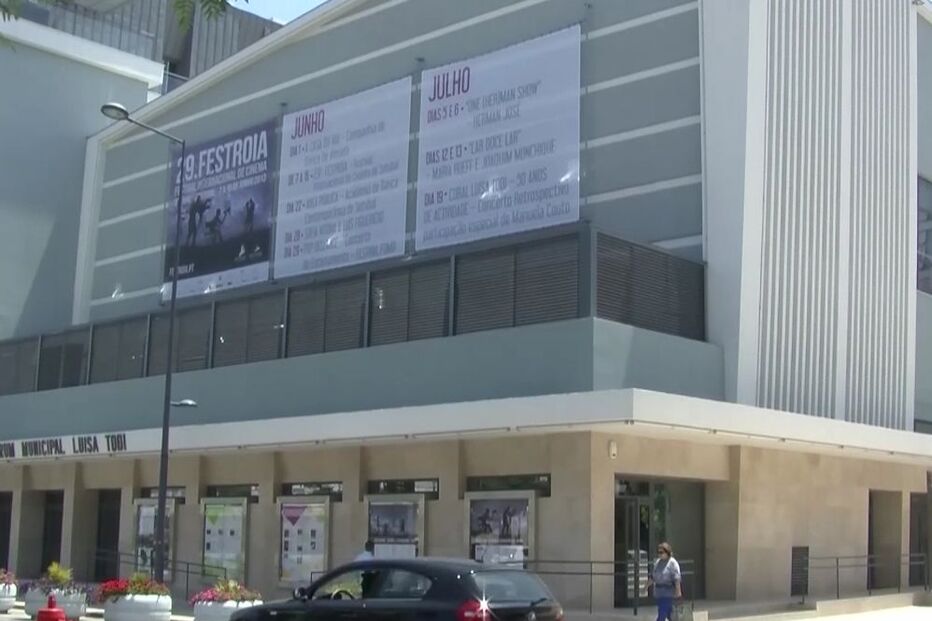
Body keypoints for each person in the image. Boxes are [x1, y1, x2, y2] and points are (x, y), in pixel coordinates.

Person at [648, 542, 681, 621]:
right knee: (670, 615)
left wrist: (678, 591)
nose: (659, 554)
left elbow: (676, 578)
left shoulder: (672, 563)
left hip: (668, 593)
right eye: (658, 552)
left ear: (667, 552)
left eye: (661, 552)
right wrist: (646, 587)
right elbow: (653, 577)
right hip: (659, 593)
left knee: (661, 615)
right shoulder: (658, 562)